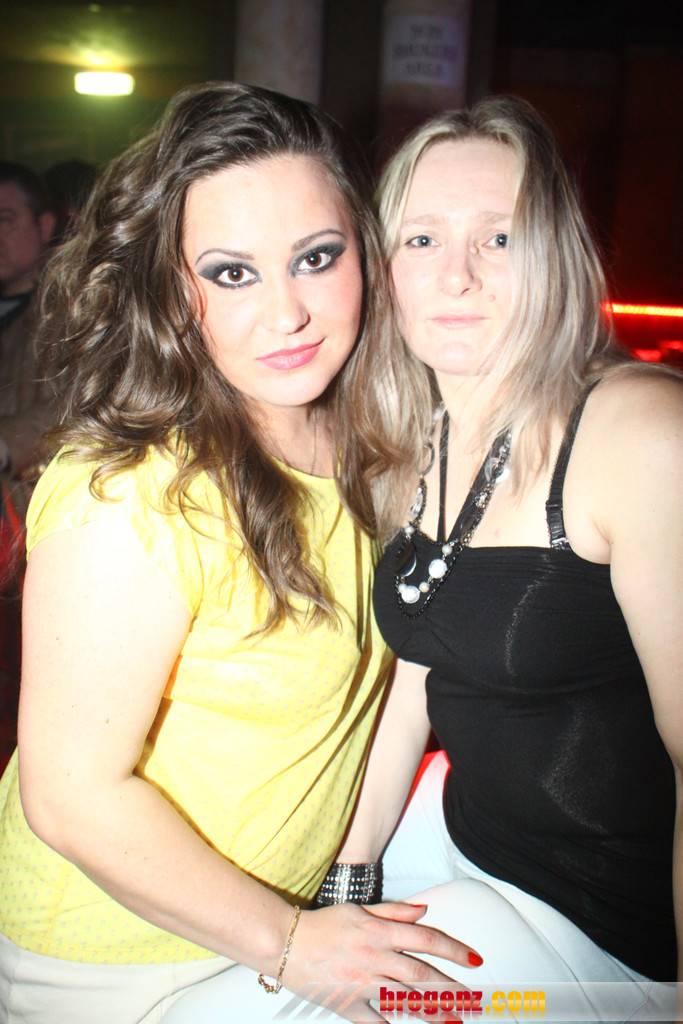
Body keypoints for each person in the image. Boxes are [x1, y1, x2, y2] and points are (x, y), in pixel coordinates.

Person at [0, 83, 480, 1024]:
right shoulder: (133, 489)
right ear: (168, 293)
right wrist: (295, 945)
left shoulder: (375, 447)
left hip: (269, 929)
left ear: (365, 254)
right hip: (107, 966)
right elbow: (71, 795)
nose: (286, 313)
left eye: (315, 257)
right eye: (230, 273)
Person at [336, 96, 681, 1019]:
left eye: (498, 237)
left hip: (606, 924)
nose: (457, 275)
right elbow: (421, 665)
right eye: (421, 240)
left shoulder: (640, 431)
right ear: (382, 269)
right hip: (465, 842)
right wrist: (347, 875)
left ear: (553, 256)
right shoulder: (414, 435)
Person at [0, 162, 56, 756]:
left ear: (45, 225)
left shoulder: (70, 311)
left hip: (31, 529)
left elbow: (72, 404)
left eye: (5, 219)